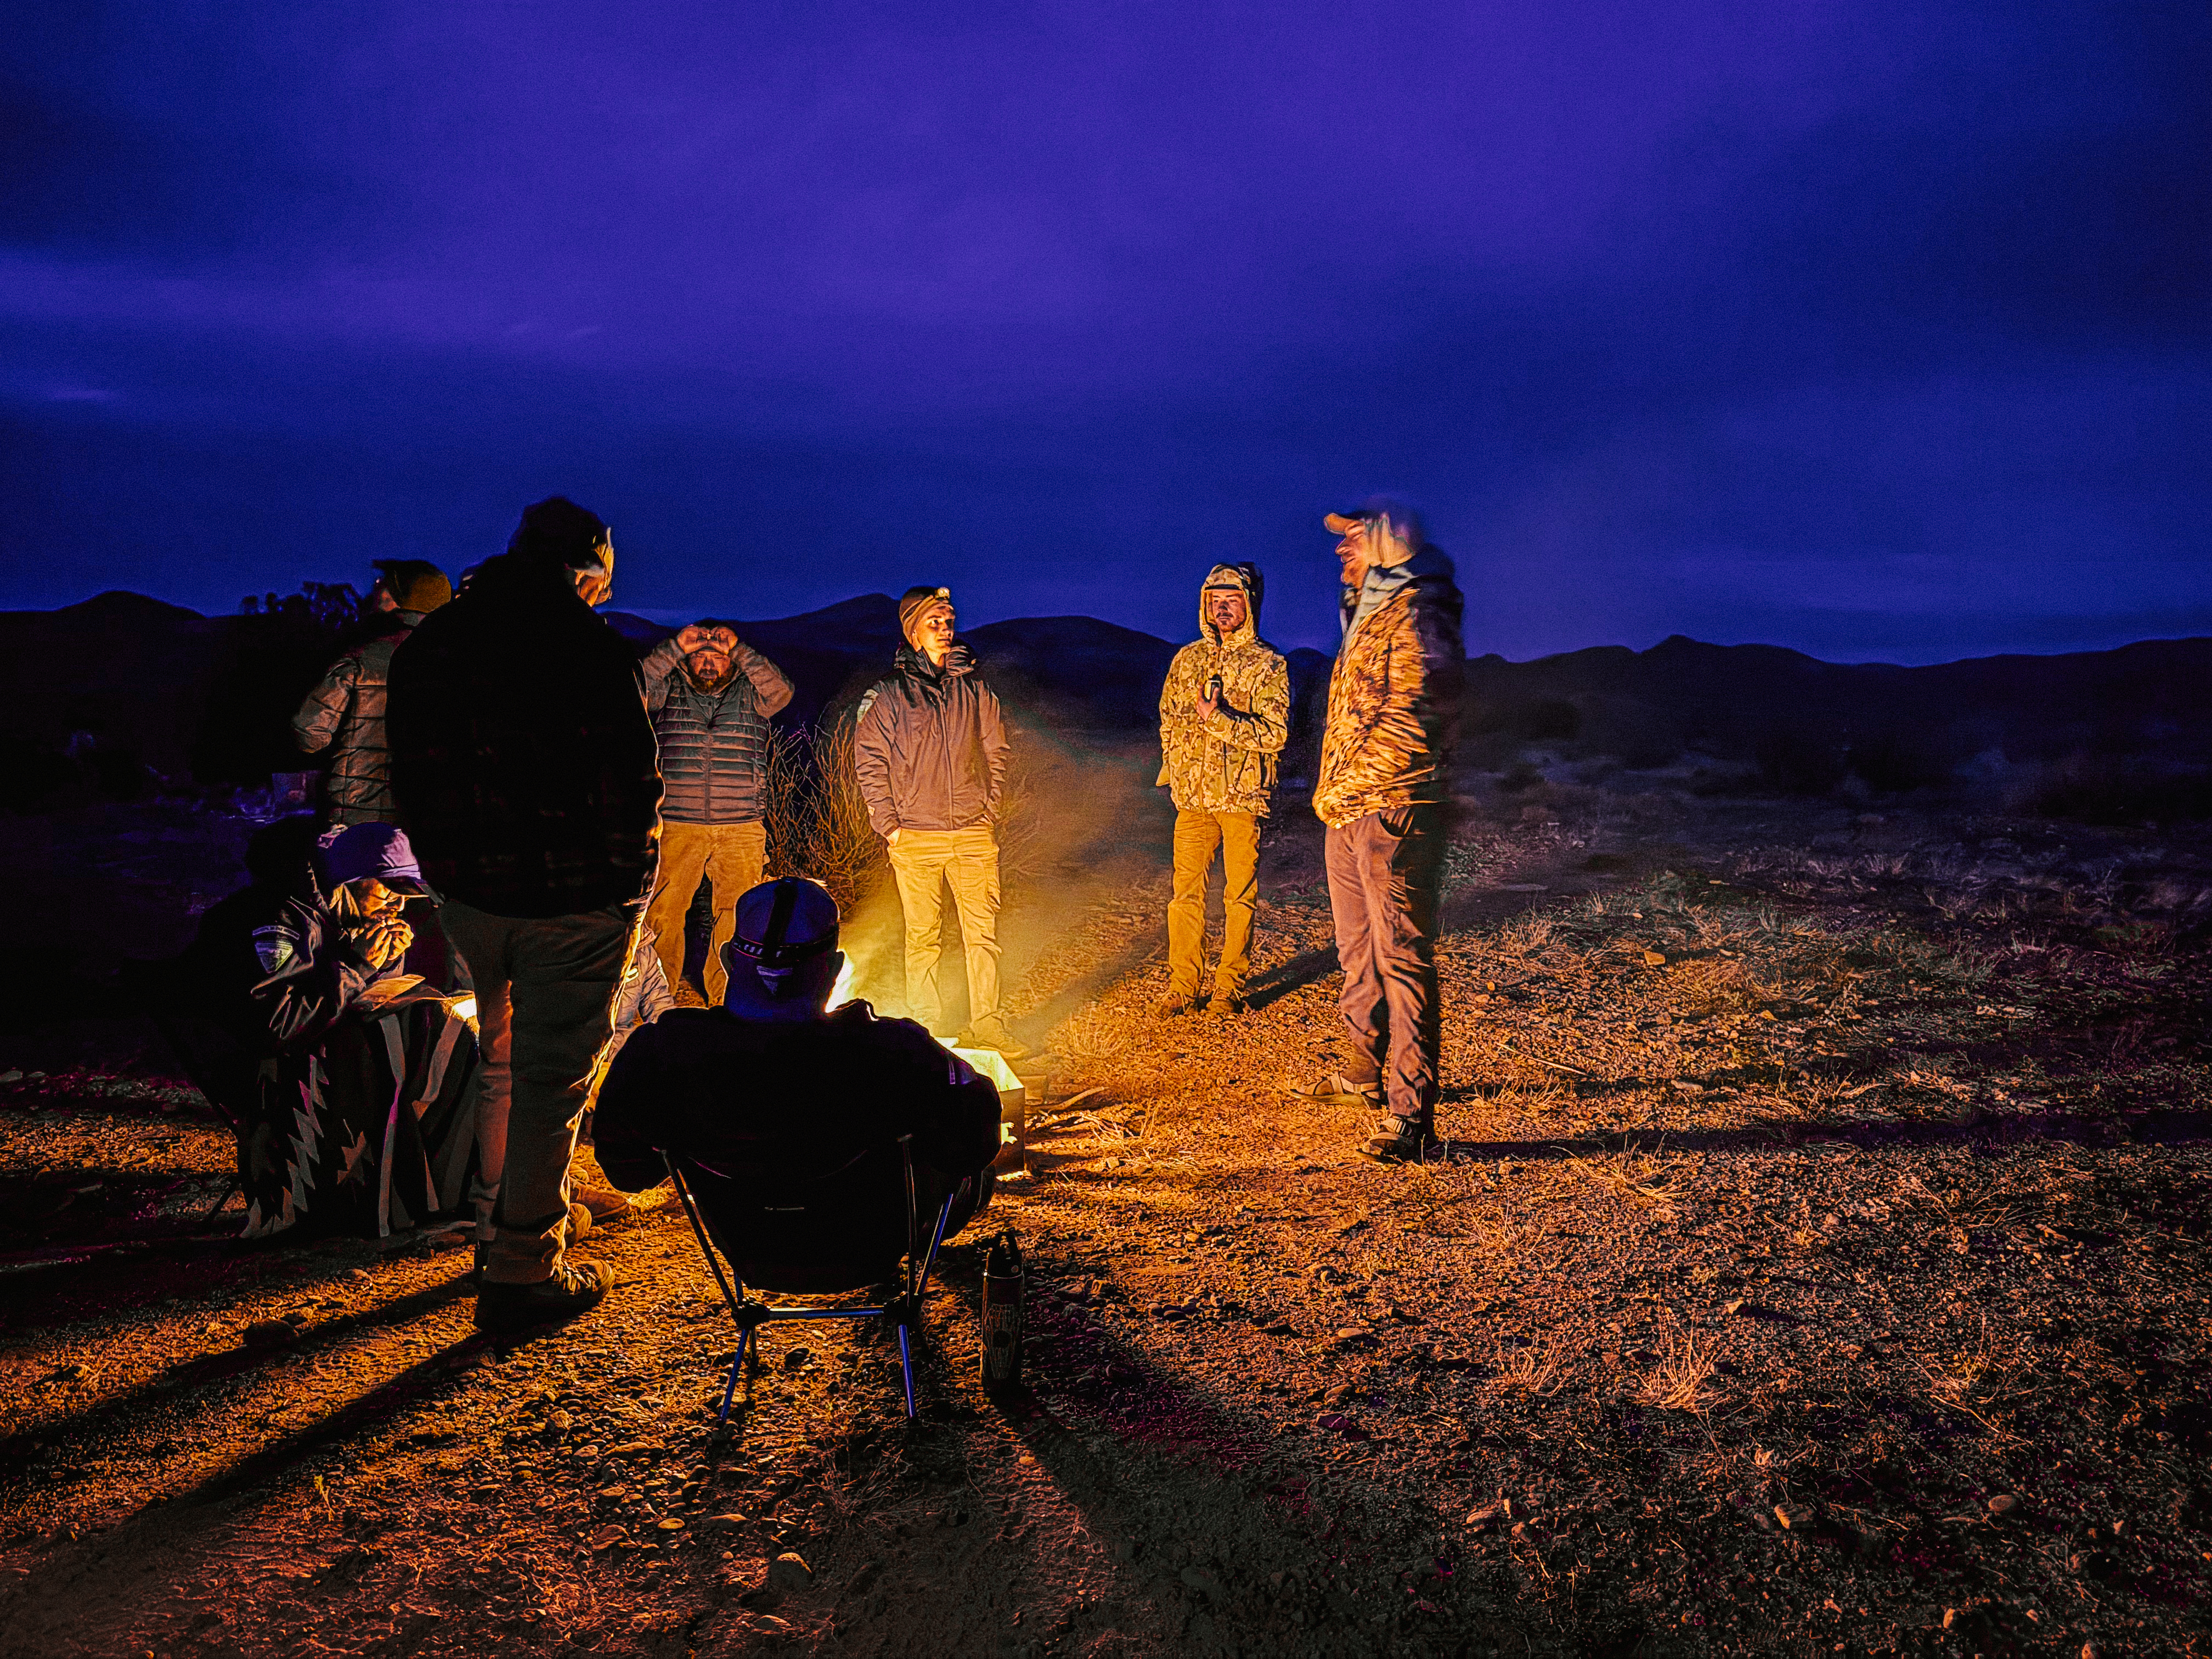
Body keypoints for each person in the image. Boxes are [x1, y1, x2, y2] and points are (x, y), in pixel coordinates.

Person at [387, 496, 662, 1334]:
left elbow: (412, 773)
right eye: (602, 577)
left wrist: (446, 877)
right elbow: (632, 783)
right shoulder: (587, 650)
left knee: (502, 1062)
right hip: (572, 899)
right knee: (552, 1080)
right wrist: (633, 892)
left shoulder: (433, 647)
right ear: (585, 570)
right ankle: (520, 1268)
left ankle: (494, 1220)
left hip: (472, 894)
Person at [592, 878, 1001, 1245]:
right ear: (836, 969)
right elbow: (975, 1142)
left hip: (746, 1244)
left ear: (728, 961)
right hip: (873, 1244)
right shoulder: (897, 1049)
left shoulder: (663, 1052)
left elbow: (628, 1173)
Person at [151, 819, 479, 1239]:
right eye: (387, 889)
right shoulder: (281, 916)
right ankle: (427, 1194)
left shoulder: (349, 914)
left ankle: (475, 1179)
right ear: (348, 880)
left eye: (405, 894)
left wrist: (380, 964)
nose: (398, 906)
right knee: (424, 1032)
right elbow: (276, 1026)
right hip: (269, 1076)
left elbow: (354, 999)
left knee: (459, 1027)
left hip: (326, 1055)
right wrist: (359, 965)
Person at [1288, 499, 1465, 1163]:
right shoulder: (1367, 618)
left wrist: (1355, 786)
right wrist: (1336, 795)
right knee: (1356, 950)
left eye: (1355, 537)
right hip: (1351, 809)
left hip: (1393, 808)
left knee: (1401, 958)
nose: (1341, 549)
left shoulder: (1420, 611)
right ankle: (1365, 1075)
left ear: (1392, 541)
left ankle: (1410, 1114)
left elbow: (1417, 714)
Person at [851, 586, 1021, 1054]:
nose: (945, 630)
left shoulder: (975, 689)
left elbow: (997, 751)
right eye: (934, 623)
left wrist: (989, 810)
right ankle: (925, 1030)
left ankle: (987, 1023)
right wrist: (889, 824)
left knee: (982, 936)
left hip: (971, 832)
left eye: (949, 622)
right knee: (922, 939)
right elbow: (869, 761)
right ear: (913, 632)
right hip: (915, 835)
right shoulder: (888, 695)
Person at [1155, 562, 1289, 1017]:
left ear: (1249, 605)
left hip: (1241, 799)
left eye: (1232, 600)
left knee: (1239, 896)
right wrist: (1176, 769)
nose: (1222, 608)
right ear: (1204, 605)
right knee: (1184, 895)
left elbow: (1275, 735)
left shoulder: (1269, 665)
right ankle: (1182, 986)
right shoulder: (1186, 660)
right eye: (1215, 600)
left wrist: (1219, 720)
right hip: (1192, 801)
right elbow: (1169, 720)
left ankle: (1228, 988)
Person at [639, 622, 794, 1006]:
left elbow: (782, 691)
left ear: (732, 661)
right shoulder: (669, 689)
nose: (709, 663)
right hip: (677, 820)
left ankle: (729, 1000)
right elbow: (635, 686)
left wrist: (739, 647)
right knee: (664, 915)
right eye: (699, 656)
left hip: (741, 824)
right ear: (686, 661)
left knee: (737, 916)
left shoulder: (751, 693)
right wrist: (675, 646)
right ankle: (657, 1001)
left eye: (717, 656)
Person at [291, 561, 454, 825]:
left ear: (396, 598)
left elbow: (309, 734)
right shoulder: (463, 656)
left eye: (383, 584)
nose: (375, 590)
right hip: (436, 810)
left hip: (359, 810)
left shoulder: (361, 655)